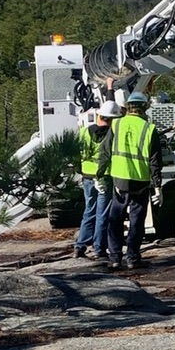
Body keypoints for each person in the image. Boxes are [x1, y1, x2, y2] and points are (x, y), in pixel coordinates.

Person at [103, 88, 162, 271]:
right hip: (140, 182)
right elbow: (155, 160)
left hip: (120, 180)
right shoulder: (149, 128)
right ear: (144, 108)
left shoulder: (116, 125)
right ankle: (132, 258)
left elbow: (104, 151)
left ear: (127, 108)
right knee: (137, 221)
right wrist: (158, 186)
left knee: (115, 219)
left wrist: (99, 175)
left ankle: (114, 258)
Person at [73, 104, 114, 260]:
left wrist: (81, 171)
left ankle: (80, 246)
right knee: (102, 213)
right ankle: (99, 249)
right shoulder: (111, 134)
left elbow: (76, 154)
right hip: (104, 176)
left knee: (89, 210)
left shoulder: (84, 132)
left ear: (99, 116)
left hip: (88, 176)